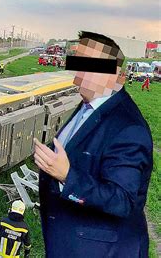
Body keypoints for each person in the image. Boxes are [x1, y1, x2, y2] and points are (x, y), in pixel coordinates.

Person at [34, 31, 153, 257]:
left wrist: (67, 176)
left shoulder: (128, 128)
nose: (77, 77)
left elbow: (122, 200)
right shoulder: (90, 105)